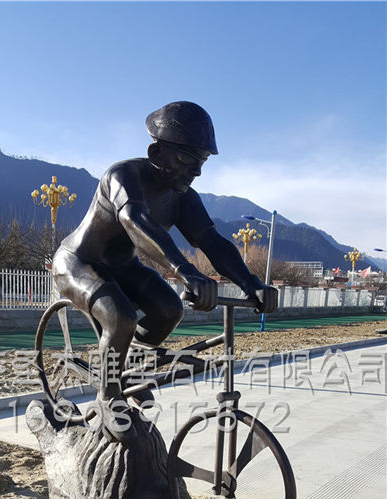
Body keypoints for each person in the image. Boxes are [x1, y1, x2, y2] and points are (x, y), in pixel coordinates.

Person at [52, 101, 277, 445]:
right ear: (156, 152)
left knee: (170, 309)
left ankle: (131, 370)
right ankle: (109, 396)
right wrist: (184, 270)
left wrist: (251, 284)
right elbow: (135, 222)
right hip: (79, 262)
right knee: (120, 317)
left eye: (202, 161)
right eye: (187, 158)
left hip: (123, 267)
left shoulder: (183, 196)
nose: (196, 171)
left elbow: (211, 241)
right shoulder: (123, 176)